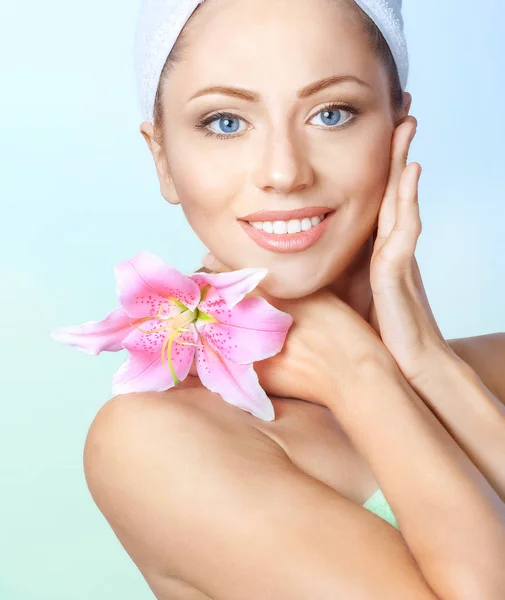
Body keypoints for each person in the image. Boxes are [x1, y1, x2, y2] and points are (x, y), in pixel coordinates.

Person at [83, 0, 505, 598]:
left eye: (331, 113)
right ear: (164, 161)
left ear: (397, 127)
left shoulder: (496, 367)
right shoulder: (159, 443)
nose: (284, 173)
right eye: (225, 122)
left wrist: (431, 368)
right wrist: (358, 374)